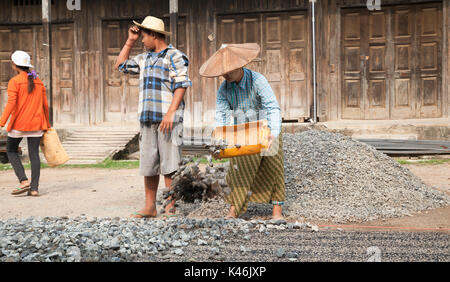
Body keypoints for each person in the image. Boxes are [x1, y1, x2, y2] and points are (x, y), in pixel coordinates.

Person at [114, 16, 191, 219]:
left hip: (168, 119)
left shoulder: (174, 56)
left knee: (170, 165)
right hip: (147, 118)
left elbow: (181, 85)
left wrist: (171, 113)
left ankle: (170, 207)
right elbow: (120, 65)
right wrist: (129, 40)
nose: (141, 40)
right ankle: (150, 207)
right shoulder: (144, 59)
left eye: (143, 35)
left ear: (154, 35)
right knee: (149, 164)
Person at [199, 43, 285, 220]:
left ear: (240, 66)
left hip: (266, 126)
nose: (226, 74)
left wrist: (273, 134)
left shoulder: (258, 80)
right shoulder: (224, 89)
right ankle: (234, 210)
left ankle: (277, 212)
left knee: (273, 166)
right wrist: (217, 142)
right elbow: (221, 118)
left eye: (230, 69)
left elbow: (272, 108)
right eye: (223, 71)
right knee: (239, 171)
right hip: (243, 132)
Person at [0, 50, 51, 197]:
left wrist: (2, 122)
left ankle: (23, 180)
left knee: (11, 151)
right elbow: (45, 106)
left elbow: (10, 104)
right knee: (34, 155)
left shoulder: (14, 82)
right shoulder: (39, 82)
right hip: (36, 124)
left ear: (15, 65)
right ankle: (34, 189)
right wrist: (46, 124)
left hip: (19, 124)